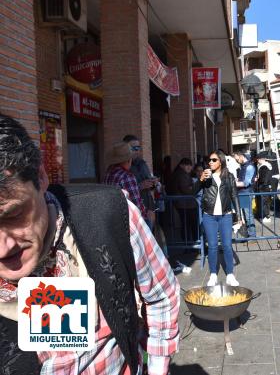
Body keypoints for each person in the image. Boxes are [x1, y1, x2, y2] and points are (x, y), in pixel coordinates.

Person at [0, 114, 180, 374]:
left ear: (40, 177)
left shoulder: (109, 212)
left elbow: (162, 297)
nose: (3, 247)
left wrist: (157, 367)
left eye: (13, 215)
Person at [198, 151, 241, 287]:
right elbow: (191, 191)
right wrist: (200, 180)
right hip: (209, 216)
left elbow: (234, 196)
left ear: (220, 161)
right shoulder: (206, 176)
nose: (210, 162)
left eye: (213, 160)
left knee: (227, 245)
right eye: (209, 160)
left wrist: (239, 216)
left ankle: (230, 274)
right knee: (212, 246)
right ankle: (213, 274)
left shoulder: (229, 176)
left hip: (225, 215)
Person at [103, 141, 151, 223]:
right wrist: (145, 218)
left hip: (113, 217)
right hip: (129, 220)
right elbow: (136, 202)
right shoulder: (127, 176)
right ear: (129, 160)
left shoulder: (108, 173)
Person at [123, 134, 158, 226]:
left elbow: (150, 184)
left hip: (147, 207)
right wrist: (140, 186)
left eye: (138, 147)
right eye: (134, 148)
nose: (137, 151)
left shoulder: (142, 163)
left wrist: (154, 183)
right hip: (132, 212)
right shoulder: (122, 169)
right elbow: (121, 192)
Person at [167, 158, 201, 241]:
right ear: (181, 165)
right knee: (191, 225)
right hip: (186, 204)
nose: (189, 167)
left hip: (183, 203)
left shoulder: (179, 174)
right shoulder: (181, 175)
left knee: (187, 225)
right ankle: (193, 244)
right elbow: (188, 191)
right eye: (187, 165)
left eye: (190, 165)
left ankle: (190, 244)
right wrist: (198, 183)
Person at [233, 151, 257, 238]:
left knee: (248, 215)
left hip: (246, 193)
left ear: (242, 156)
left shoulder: (249, 167)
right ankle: (249, 234)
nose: (237, 161)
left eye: (237, 159)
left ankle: (252, 236)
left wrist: (233, 183)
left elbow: (246, 183)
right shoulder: (244, 166)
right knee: (246, 215)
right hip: (243, 193)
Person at [255, 151, 274, 223]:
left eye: (258, 159)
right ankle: (264, 215)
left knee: (264, 202)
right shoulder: (266, 165)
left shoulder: (264, 167)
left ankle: (266, 216)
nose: (257, 160)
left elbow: (264, 179)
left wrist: (258, 180)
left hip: (263, 187)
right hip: (265, 187)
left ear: (261, 159)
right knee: (265, 202)